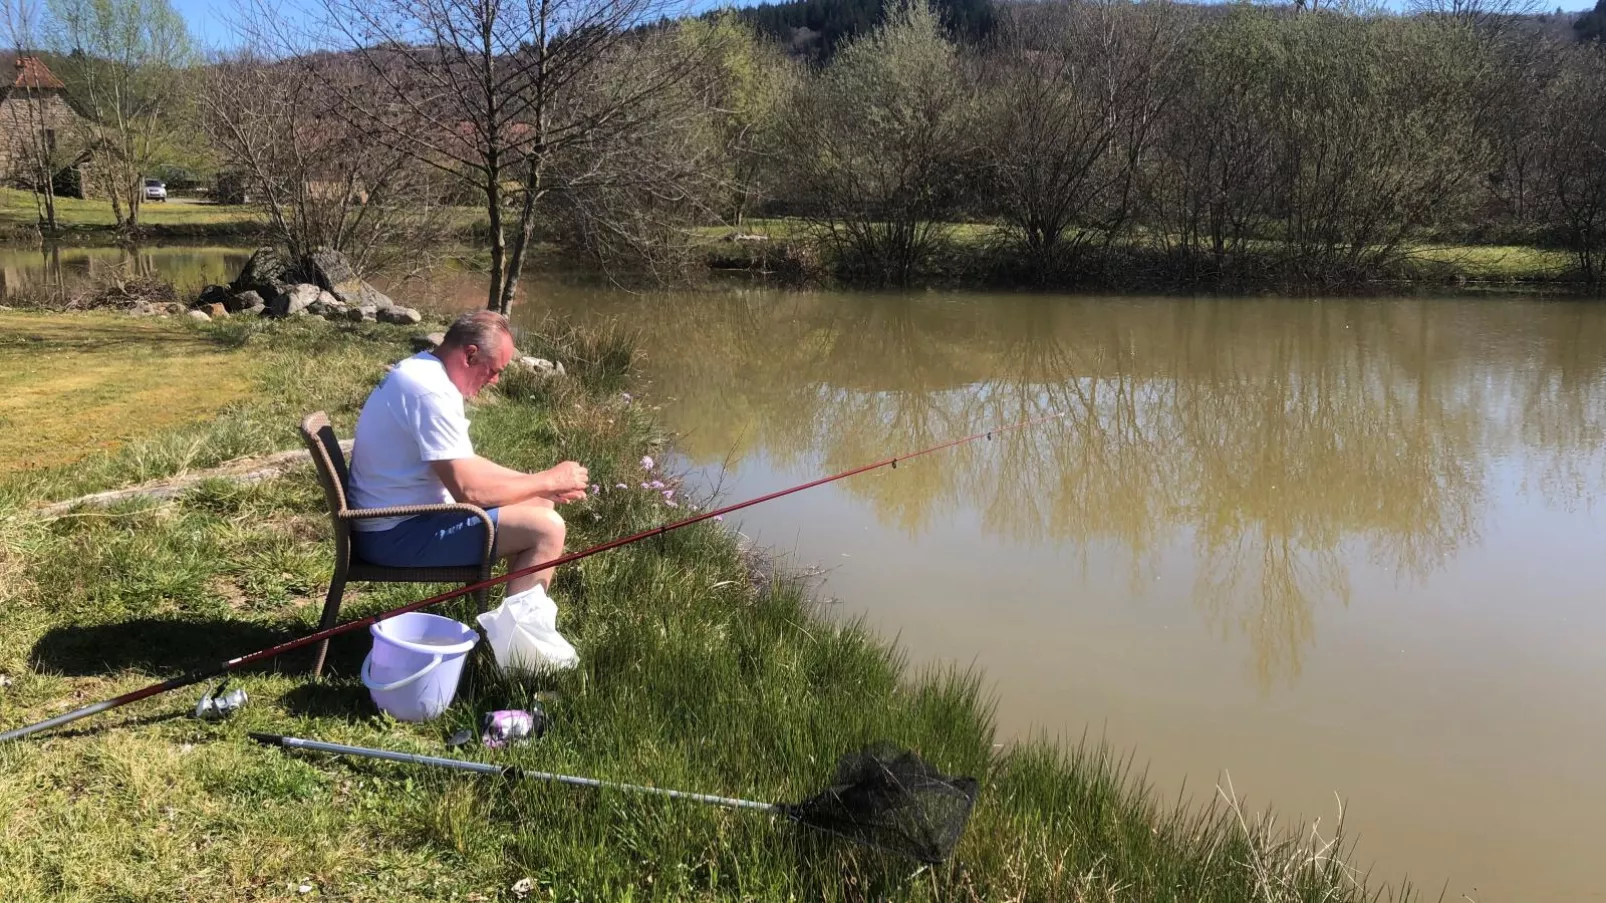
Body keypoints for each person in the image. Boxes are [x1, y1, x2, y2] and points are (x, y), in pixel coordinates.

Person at [348, 309, 588, 597]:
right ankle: (517, 639)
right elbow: (469, 491)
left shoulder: (425, 371)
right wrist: (548, 481)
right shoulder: (431, 392)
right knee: (547, 528)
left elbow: (465, 463)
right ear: (470, 355)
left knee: (540, 504)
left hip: (396, 520)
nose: (495, 380)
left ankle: (508, 623)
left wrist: (539, 485)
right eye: (494, 369)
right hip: (392, 535)